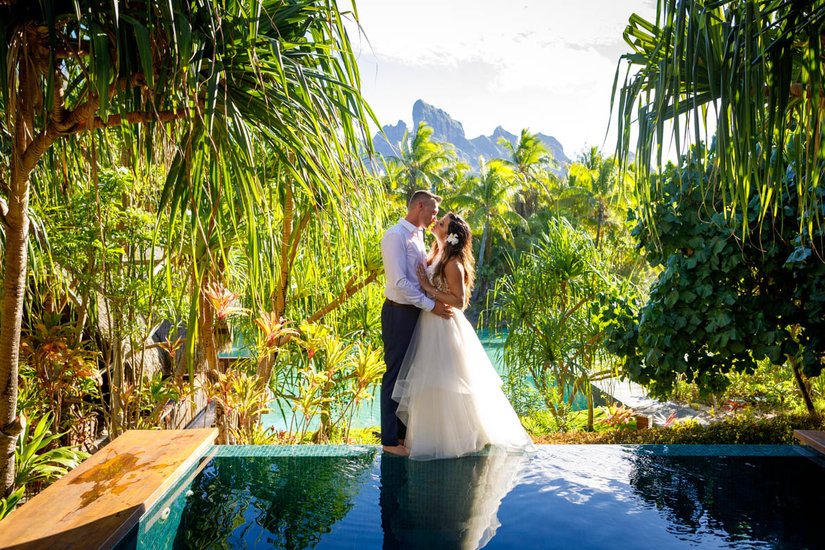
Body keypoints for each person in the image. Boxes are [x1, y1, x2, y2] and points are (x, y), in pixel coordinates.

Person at [392, 212, 535, 460]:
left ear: (450, 236)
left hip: (444, 326)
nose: (437, 222)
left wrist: (428, 289)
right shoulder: (436, 253)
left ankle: (455, 439)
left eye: (443, 222)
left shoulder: (452, 263)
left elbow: (460, 301)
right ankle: (430, 436)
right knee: (429, 383)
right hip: (429, 323)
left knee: (446, 382)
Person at [380, 190, 454, 457]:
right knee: (394, 374)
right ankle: (389, 440)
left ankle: (402, 435)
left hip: (417, 313)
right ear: (419, 206)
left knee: (409, 376)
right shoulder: (394, 236)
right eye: (433, 211)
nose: (435, 217)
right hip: (398, 313)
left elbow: (421, 277)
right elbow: (399, 282)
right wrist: (432, 305)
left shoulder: (419, 235)